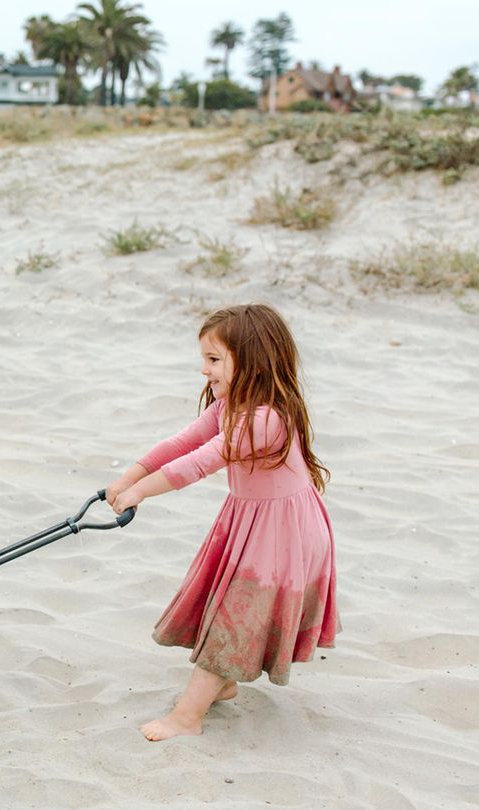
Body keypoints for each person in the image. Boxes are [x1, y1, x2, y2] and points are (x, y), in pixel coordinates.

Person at [105, 303, 338, 742]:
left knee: (237, 615)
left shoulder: (266, 419)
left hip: (282, 534)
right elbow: (182, 443)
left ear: (252, 362)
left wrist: (141, 492)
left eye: (213, 360)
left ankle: (186, 717)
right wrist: (129, 477)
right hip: (253, 522)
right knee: (230, 606)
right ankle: (223, 683)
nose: (204, 370)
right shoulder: (231, 404)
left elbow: (200, 462)